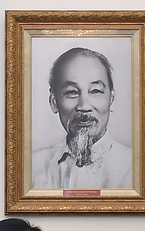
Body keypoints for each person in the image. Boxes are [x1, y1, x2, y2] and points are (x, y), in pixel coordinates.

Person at [32, 47, 133, 190]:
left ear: (112, 99)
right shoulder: (32, 167)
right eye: (72, 92)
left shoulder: (136, 168)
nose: (84, 106)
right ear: (53, 102)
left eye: (95, 91)